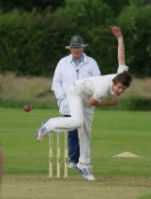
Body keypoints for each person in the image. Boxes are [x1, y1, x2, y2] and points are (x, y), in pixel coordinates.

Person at [36, 26, 132, 181]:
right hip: (76, 92)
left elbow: (121, 57)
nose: (119, 90)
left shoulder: (120, 75)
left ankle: (84, 165)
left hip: (88, 96)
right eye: (118, 87)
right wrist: (110, 103)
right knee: (77, 122)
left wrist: (120, 38)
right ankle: (48, 125)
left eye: (123, 89)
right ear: (114, 82)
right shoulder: (102, 88)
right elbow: (92, 102)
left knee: (86, 132)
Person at [52, 35, 101, 168]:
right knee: (72, 132)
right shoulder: (63, 63)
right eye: (74, 47)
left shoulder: (91, 63)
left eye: (78, 47)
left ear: (83, 48)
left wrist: (94, 97)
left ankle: (83, 161)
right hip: (69, 103)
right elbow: (56, 83)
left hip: (86, 103)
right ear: (70, 48)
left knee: (84, 131)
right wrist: (62, 98)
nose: (76, 50)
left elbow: (98, 81)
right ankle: (73, 161)